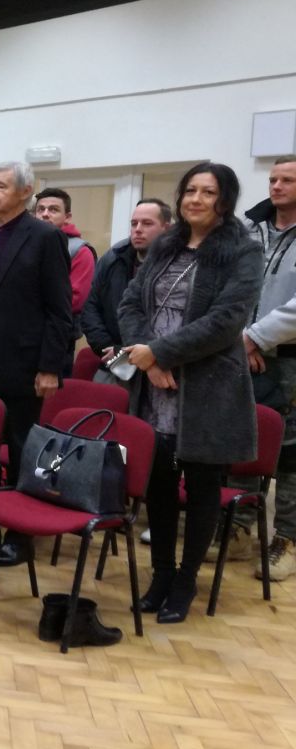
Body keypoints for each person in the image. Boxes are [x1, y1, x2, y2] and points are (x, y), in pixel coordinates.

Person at [121, 162, 262, 623]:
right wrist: (149, 359)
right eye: (190, 190)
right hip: (155, 385)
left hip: (206, 389)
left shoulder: (243, 250)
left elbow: (227, 320)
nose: (196, 199)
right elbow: (130, 303)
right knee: (159, 486)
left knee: (202, 490)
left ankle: (185, 581)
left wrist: (159, 353)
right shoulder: (165, 245)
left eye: (208, 192)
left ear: (225, 200)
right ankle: (162, 574)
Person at [0, 161, 72, 567]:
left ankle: (20, 536)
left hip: (22, 362)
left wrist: (51, 366)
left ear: (25, 191)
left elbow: (59, 310)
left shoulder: (45, 237)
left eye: (1, 186)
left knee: (22, 450)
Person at [233, 156, 296, 577]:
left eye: (287, 180)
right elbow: (230, 287)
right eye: (273, 179)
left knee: (290, 453)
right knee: (243, 440)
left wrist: (255, 336)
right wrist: (240, 338)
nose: (276, 186)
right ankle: (237, 527)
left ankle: (286, 539)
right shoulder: (248, 228)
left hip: (289, 359)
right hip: (243, 353)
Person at [81, 198, 173, 383]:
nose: (138, 229)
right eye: (134, 223)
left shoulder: (176, 265)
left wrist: (127, 351)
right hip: (112, 362)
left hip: (157, 366)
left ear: (166, 228)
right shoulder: (114, 258)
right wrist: (107, 347)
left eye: (147, 223)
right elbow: (91, 307)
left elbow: (171, 323)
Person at [34, 189, 97, 370]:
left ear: (67, 217)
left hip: (57, 339)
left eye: (53, 209)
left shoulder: (80, 251)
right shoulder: (28, 244)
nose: (45, 214)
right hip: (23, 336)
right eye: (41, 209)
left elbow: (74, 300)